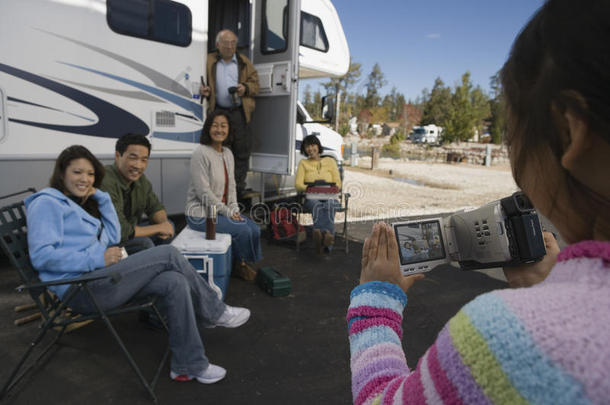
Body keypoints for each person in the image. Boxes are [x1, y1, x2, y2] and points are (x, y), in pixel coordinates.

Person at [347, 1, 610, 403]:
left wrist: (378, 297)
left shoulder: (509, 337)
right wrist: (550, 289)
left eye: (513, 124)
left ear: (569, 130)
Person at [25, 145, 250, 384]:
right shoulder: (47, 204)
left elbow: (112, 238)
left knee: (174, 282)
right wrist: (96, 259)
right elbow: (41, 256)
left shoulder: (76, 202)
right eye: (77, 172)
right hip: (81, 289)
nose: (85, 179)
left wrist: (101, 198)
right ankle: (214, 311)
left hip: (99, 278)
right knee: (168, 254)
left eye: (90, 174)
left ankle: (187, 365)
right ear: (62, 174)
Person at [185, 110, 262, 281]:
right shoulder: (201, 153)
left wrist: (234, 208)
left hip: (221, 211)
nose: (219, 129)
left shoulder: (228, 153)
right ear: (208, 128)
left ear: (229, 130)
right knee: (243, 230)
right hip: (201, 215)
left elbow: (232, 186)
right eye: (215, 125)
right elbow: (203, 192)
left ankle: (241, 262)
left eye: (223, 126)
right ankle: (241, 265)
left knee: (254, 229)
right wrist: (228, 212)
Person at [200, 29, 260, 200]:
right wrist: (204, 90)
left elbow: (256, 84)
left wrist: (245, 88)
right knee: (219, 150)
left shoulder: (243, 62)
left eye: (233, 43)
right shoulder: (208, 60)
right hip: (218, 111)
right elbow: (198, 79)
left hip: (238, 113)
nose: (230, 47)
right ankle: (219, 188)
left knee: (242, 151)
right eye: (226, 44)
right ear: (218, 45)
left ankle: (238, 189)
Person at [100, 134, 174, 255]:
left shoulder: (141, 180)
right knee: (144, 244)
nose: (138, 165)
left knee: (170, 226)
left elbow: (155, 207)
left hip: (129, 233)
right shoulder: (106, 181)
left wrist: (164, 224)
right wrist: (159, 228)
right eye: (133, 158)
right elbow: (120, 230)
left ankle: (156, 261)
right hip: (109, 239)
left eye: (144, 160)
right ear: (118, 156)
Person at [295, 135, 342, 254]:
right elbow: (298, 184)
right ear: (304, 150)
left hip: (329, 196)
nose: (310, 149)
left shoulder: (330, 161)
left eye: (312, 145)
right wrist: (312, 188)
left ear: (318, 146)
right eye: (307, 147)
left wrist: (330, 188)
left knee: (330, 204)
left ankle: (320, 235)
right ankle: (327, 237)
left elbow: (338, 183)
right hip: (311, 197)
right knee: (317, 205)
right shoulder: (303, 163)